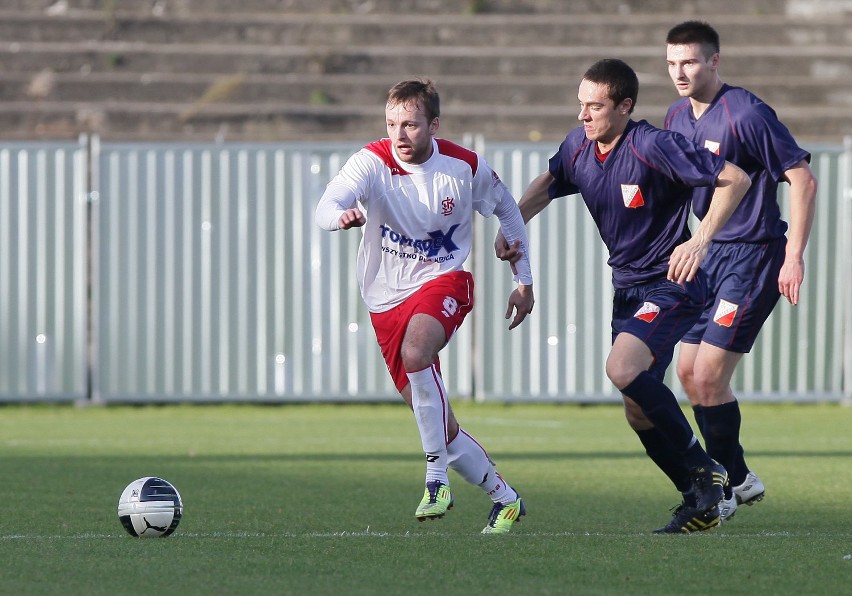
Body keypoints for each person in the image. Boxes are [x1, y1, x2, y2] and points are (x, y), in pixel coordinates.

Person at [496, 58, 751, 533]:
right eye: (580, 105)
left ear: (625, 106)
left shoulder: (654, 145)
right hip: (628, 288)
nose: (583, 116)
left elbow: (736, 178)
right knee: (637, 411)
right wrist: (514, 224)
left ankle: (708, 469)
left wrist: (699, 241)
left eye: (595, 107)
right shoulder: (578, 147)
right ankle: (698, 499)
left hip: (673, 282)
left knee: (621, 368)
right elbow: (549, 183)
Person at [315, 78, 535, 534]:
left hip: (444, 280)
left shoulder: (463, 166)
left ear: (433, 124)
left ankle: (436, 478)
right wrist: (340, 217)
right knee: (440, 424)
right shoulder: (371, 162)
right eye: (392, 123)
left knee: (418, 354)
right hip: (385, 302)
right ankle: (505, 498)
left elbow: (508, 209)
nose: (399, 135)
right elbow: (326, 204)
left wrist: (523, 279)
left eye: (411, 125)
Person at [663, 21, 818, 522]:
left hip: (753, 256)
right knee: (687, 373)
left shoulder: (746, 113)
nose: (680, 72)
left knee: (708, 374)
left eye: (689, 61)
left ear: (715, 61)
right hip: (706, 260)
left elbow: (803, 180)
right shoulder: (674, 117)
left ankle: (723, 488)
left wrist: (794, 254)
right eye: (671, 63)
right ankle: (741, 478)